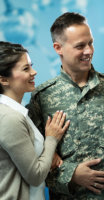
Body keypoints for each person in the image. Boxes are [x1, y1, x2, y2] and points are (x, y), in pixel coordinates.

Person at [27, 12, 104, 200]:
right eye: (80, 46)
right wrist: (71, 175)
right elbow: (32, 162)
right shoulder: (42, 98)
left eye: (91, 43)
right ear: (58, 48)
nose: (89, 51)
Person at [0, 41, 70, 200]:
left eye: (31, 65)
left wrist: (49, 155)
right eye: (26, 69)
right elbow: (36, 175)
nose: (34, 72)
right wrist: (51, 140)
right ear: (4, 80)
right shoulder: (9, 118)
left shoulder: (18, 112)